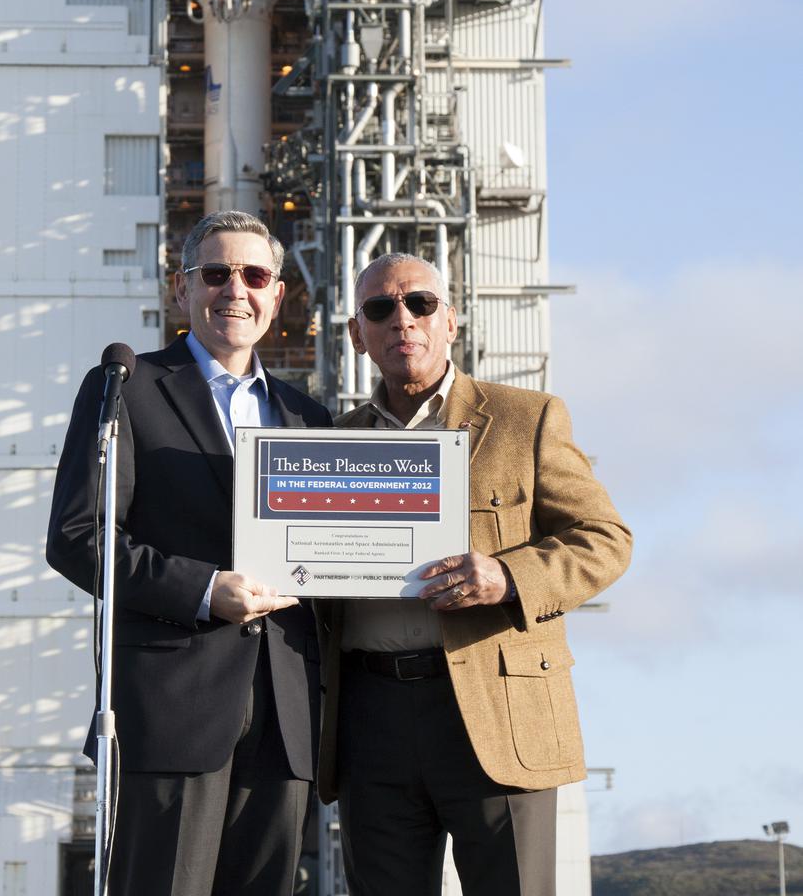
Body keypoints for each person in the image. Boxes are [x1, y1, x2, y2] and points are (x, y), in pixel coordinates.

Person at [317, 253, 632, 896]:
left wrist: (509, 577)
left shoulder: (527, 418)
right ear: (357, 334)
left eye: (420, 304)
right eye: (379, 308)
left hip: (499, 708)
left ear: (451, 321)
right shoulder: (329, 444)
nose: (401, 319)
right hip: (368, 717)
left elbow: (606, 540)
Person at [47, 211, 332, 896]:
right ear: (182, 290)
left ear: (277, 296)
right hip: (173, 706)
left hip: (286, 712)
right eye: (216, 273)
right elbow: (78, 537)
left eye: (255, 275)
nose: (236, 288)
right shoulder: (126, 387)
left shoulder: (310, 418)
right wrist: (206, 590)